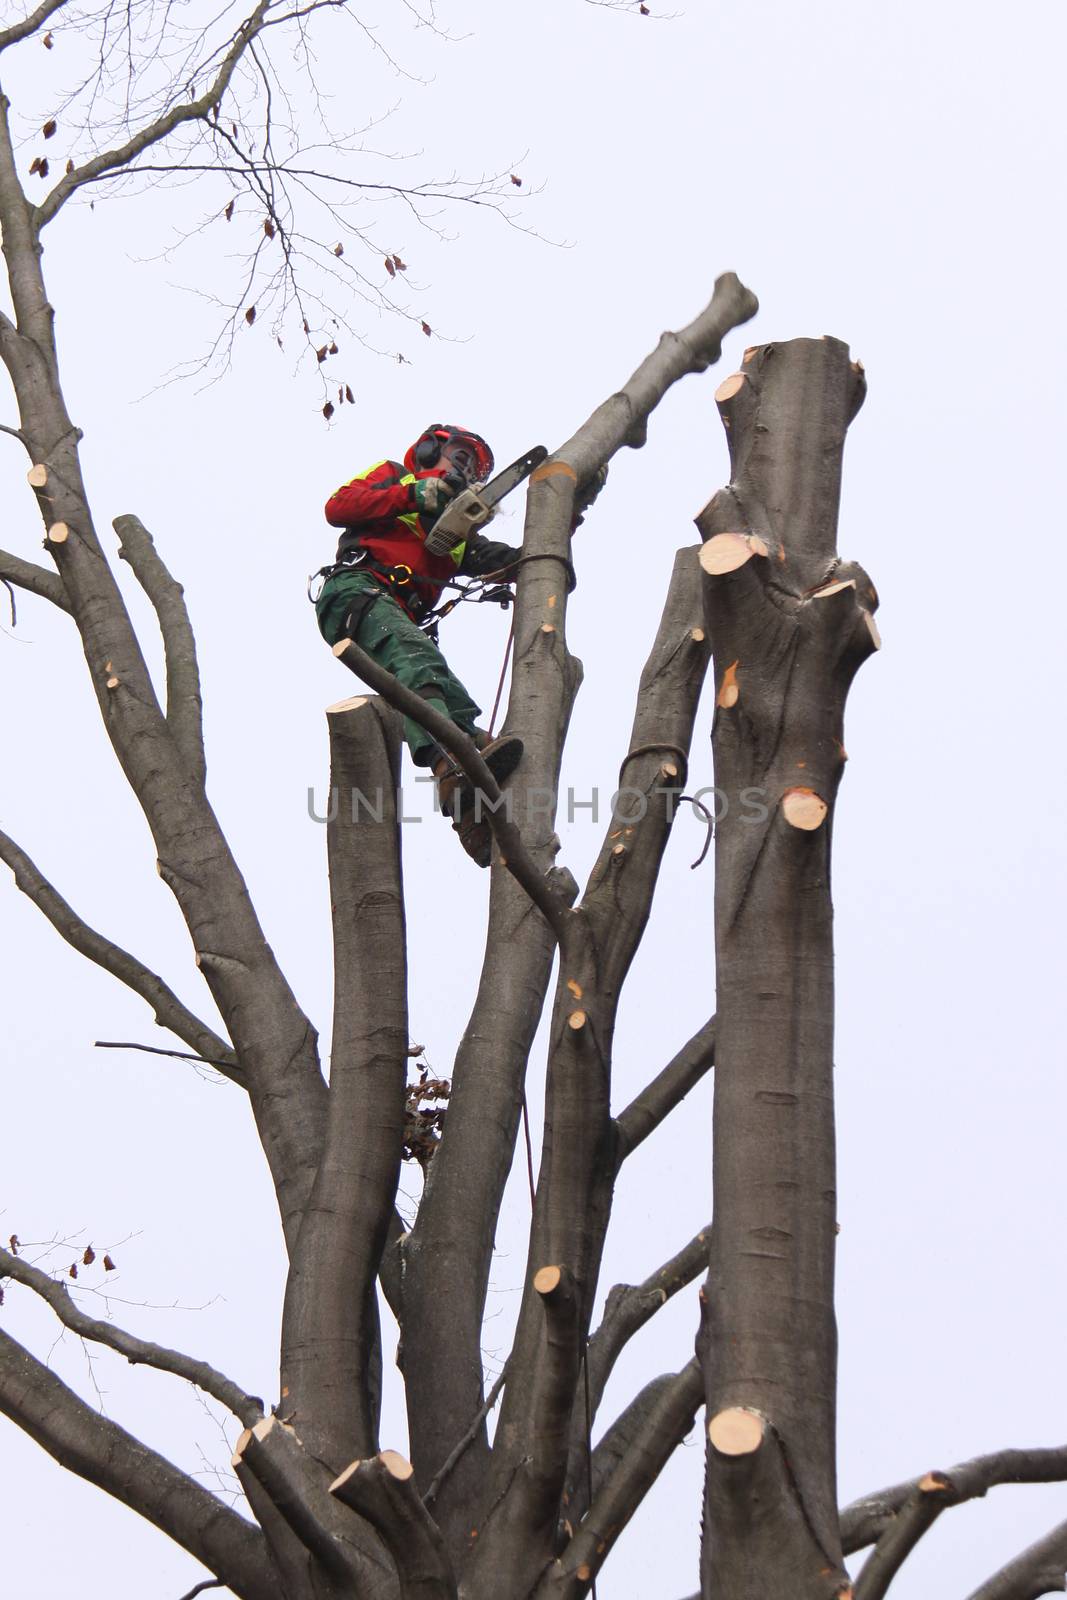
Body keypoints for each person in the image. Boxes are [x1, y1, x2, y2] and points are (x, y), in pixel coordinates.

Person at [314, 423, 523, 866]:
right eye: (461, 458)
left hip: (400, 616)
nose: (466, 472)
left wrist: (537, 555)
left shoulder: (457, 529)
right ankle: (448, 765)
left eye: (475, 470)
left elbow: (489, 559)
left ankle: (471, 809)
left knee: (447, 693)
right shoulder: (394, 477)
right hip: (358, 588)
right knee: (417, 664)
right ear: (429, 450)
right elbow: (338, 506)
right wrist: (412, 496)